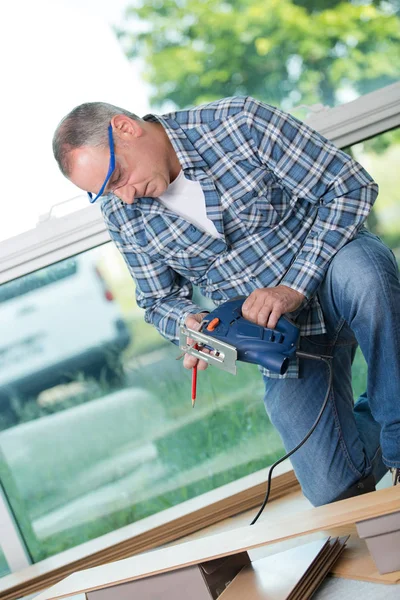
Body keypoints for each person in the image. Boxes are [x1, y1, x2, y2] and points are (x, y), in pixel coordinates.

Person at [52, 96, 400, 506]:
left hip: (336, 274)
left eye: (117, 176)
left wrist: (293, 287)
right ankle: (386, 409)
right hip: (280, 339)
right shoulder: (122, 212)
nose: (124, 197)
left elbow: (349, 186)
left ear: (126, 128)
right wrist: (194, 330)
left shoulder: (239, 122)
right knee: (333, 488)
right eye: (107, 192)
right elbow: (158, 300)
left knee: (367, 277)